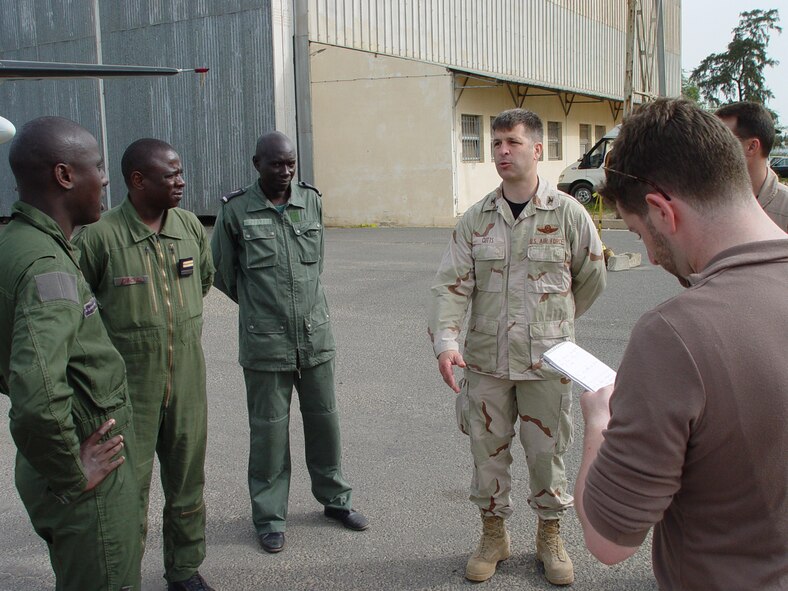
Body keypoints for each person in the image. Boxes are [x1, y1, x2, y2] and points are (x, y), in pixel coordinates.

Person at [575, 99, 788, 590]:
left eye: (637, 233)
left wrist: (599, 419)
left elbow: (610, 541)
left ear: (661, 210)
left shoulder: (675, 334)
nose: (649, 257)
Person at [429, 108, 606, 585]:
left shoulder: (568, 213)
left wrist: (552, 325)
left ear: (537, 150)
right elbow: (451, 287)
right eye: (496, 145)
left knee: (548, 454)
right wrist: (447, 343)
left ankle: (550, 535)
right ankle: (493, 534)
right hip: (486, 362)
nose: (503, 152)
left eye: (512, 142)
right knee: (488, 453)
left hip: (548, 363)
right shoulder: (476, 219)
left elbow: (589, 280)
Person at [0, 116, 141, 590]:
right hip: (86, 468)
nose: (104, 179)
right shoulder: (47, 268)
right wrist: (71, 471)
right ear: (64, 176)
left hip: (51, 463)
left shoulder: (16, 243)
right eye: (97, 167)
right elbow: (38, 397)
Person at [211, 131, 368, 554]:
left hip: (315, 337)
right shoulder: (237, 211)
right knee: (268, 434)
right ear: (256, 163)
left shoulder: (310, 201)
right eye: (275, 164)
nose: (284, 172)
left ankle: (335, 501)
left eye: (290, 164)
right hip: (266, 344)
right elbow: (224, 273)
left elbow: (315, 268)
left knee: (325, 423)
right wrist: (264, 311)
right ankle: (269, 517)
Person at [74, 139, 215, 591]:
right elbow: (77, 307)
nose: (181, 181)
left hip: (188, 380)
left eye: (180, 172)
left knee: (187, 481)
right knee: (126, 491)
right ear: (137, 181)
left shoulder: (190, 227)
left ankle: (184, 569)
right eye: (170, 175)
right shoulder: (100, 236)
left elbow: (204, 280)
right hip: (127, 389)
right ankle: (123, 577)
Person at [715, 101, 788, 231]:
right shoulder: (707, 202)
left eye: (722, 140)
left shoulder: (784, 208)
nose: (712, 148)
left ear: (752, 146)